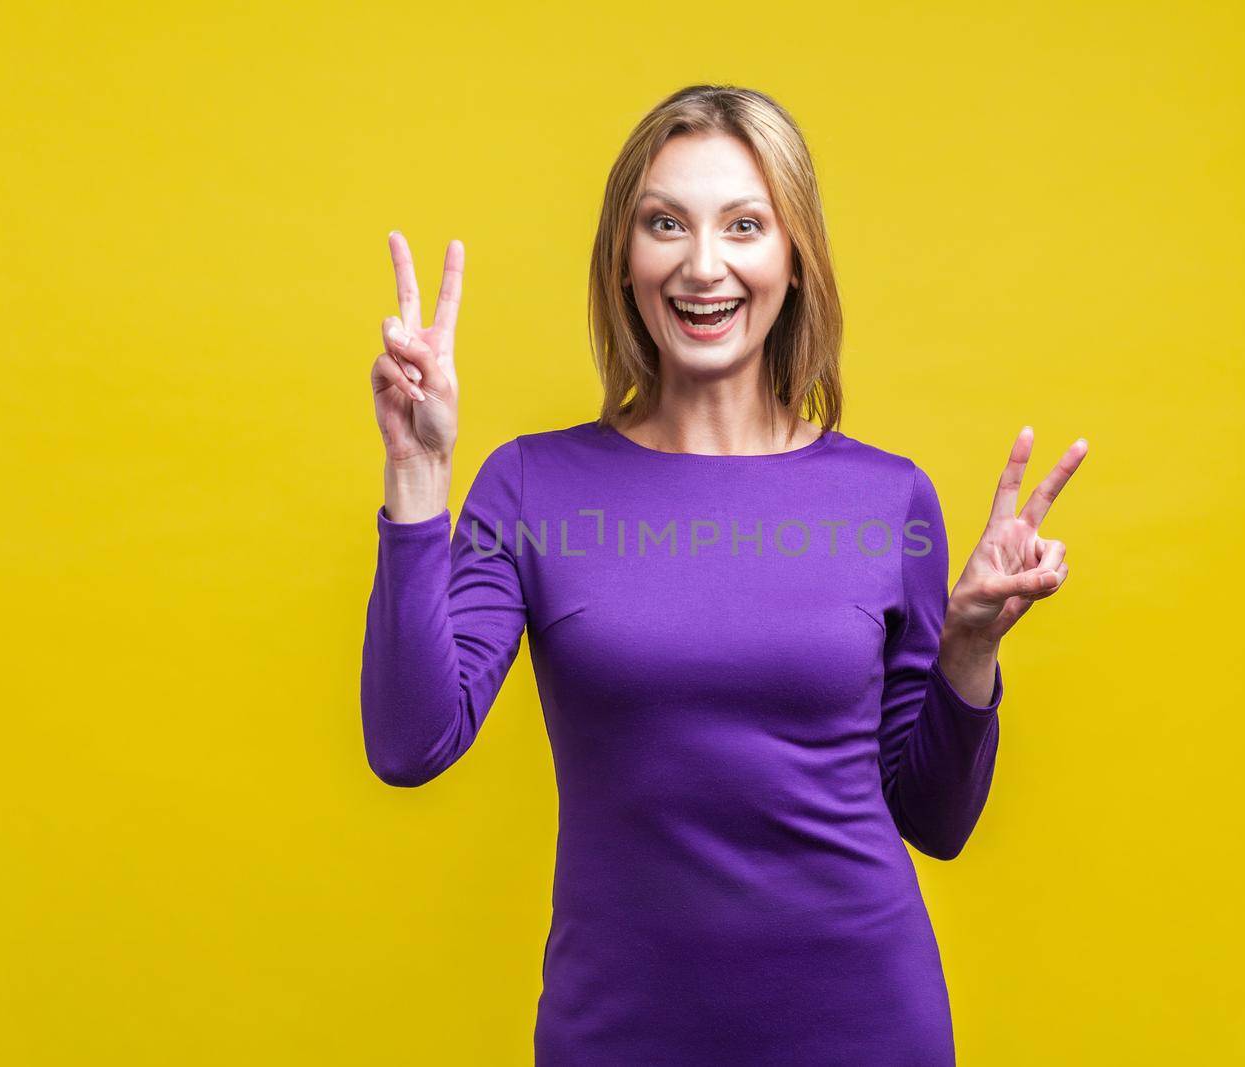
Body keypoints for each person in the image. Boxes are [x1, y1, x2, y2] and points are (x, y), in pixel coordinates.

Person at [360, 84, 1086, 1066]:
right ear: (624, 260)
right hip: (619, 1032)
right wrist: (416, 470)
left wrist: (967, 649)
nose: (705, 265)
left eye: (745, 225)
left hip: (863, 1026)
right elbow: (411, 741)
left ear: (794, 262)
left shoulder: (888, 498)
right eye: (666, 223)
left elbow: (936, 818)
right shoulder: (530, 484)